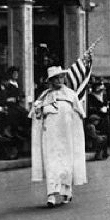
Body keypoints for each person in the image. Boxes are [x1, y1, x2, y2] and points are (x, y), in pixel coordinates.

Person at [30, 66, 86, 207]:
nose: (59, 80)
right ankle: (51, 195)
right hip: (50, 135)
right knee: (52, 163)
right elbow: (36, 115)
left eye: (61, 77)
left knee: (66, 162)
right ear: (51, 80)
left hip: (66, 135)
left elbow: (79, 114)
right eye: (56, 78)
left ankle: (67, 191)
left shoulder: (71, 95)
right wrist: (39, 110)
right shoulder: (44, 96)